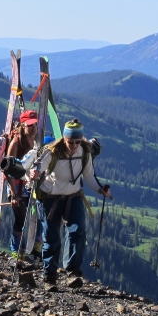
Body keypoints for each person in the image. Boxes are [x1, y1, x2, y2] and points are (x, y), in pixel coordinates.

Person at [23, 118, 111, 285]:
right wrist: (34, 174)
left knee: (78, 231)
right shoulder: (51, 152)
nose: (74, 145)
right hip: (50, 198)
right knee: (51, 236)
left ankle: (72, 270)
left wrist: (101, 190)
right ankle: (49, 273)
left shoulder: (84, 152)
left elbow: (89, 175)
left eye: (78, 141)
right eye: (71, 142)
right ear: (64, 138)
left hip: (73, 196)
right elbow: (38, 167)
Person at [6, 110, 42, 264]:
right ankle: (16, 253)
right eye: (29, 125)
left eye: (35, 124)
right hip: (18, 187)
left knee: (39, 216)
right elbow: (8, 170)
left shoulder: (40, 142)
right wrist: (14, 194)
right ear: (23, 125)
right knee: (21, 218)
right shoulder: (15, 143)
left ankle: (36, 246)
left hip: (32, 186)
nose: (33, 127)